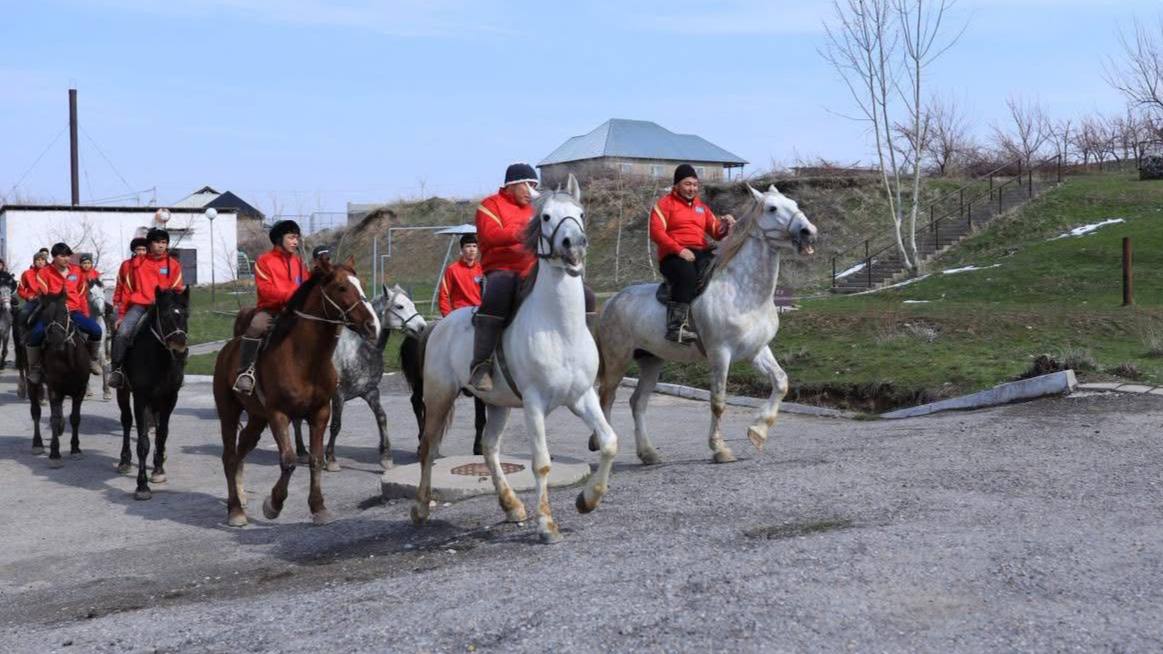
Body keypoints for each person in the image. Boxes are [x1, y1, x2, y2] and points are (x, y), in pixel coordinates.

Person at [649, 163, 736, 343]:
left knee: (721, 268)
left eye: (695, 185)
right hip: (673, 255)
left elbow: (716, 232)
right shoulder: (664, 205)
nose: (692, 188)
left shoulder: (701, 208)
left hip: (699, 252)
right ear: (677, 185)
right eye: (688, 184)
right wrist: (679, 250)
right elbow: (656, 232)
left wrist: (726, 225)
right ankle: (676, 327)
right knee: (687, 274)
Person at [233, 219, 308, 394]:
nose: (295, 242)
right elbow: (266, 290)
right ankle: (245, 371)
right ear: (279, 239)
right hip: (271, 310)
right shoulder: (264, 261)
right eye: (291, 237)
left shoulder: (299, 263)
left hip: (296, 312)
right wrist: (291, 297)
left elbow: (306, 285)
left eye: (296, 238)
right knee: (256, 326)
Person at [108, 229, 185, 388]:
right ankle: (117, 370)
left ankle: (178, 370)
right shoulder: (136, 264)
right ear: (149, 244)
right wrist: (121, 315)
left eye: (164, 243)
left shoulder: (173, 265)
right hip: (140, 306)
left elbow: (177, 290)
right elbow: (127, 291)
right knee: (122, 333)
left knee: (180, 334)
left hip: (164, 308)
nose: (160, 246)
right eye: (157, 242)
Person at [24, 243, 104, 383]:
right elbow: (44, 294)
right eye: (62, 256)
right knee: (35, 335)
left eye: (68, 255)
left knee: (96, 330)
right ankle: (35, 367)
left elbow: (81, 293)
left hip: (73, 310)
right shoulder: (44, 272)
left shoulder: (76, 271)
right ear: (54, 257)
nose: (66, 258)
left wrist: (83, 311)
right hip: (52, 312)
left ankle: (92, 360)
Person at [437, 234, 483, 316]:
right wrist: (448, 317)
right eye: (468, 246)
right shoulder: (452, 270)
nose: (472, 249)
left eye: (474, 246)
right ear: (462, 249)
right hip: (459, 314)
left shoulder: (483, 269)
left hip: (479, 312)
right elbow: (443, 296)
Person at [112, 237, 149, 320]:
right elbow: (120, 285)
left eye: (144, 249)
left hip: (150, 303)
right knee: (123, 332)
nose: (141, 252)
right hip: (130, 304)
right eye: (138, 249)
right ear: (134, 251)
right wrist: (116, 302)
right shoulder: (125, 265)